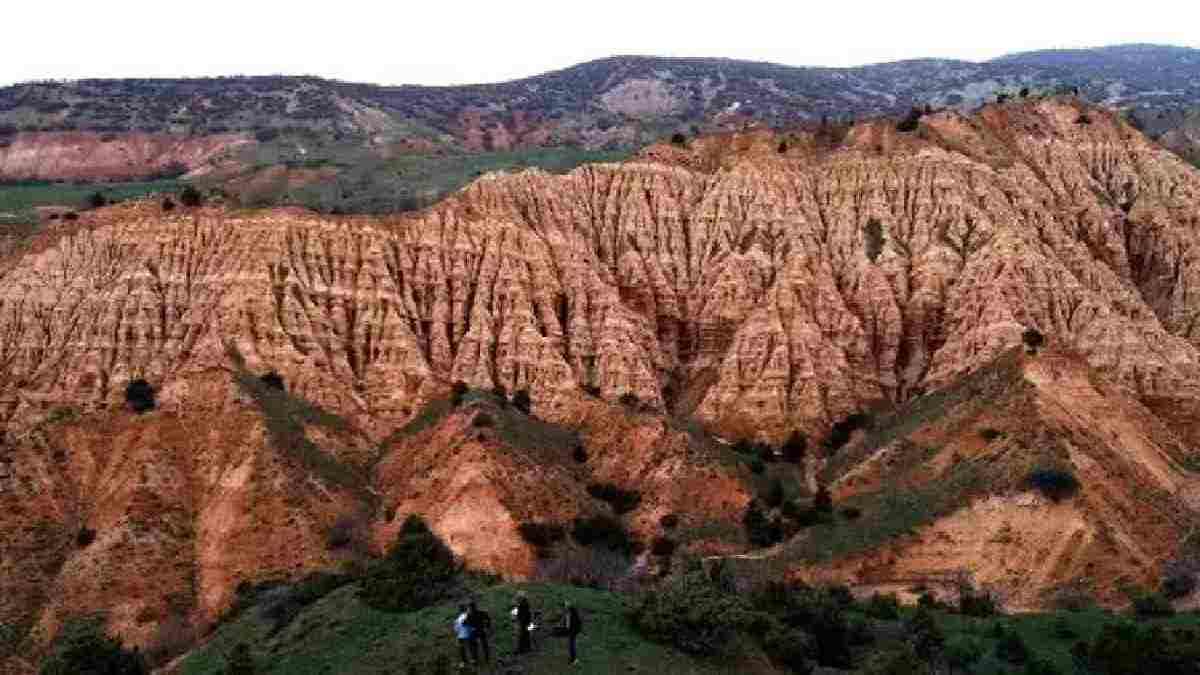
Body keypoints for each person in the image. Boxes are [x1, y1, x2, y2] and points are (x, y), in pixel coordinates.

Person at [563, 600, 583, 665]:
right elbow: (566, 622)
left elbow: (577, 623)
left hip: (573, 631)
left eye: (566, 606)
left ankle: (574, 660)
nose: (565, 607)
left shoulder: (573, 612)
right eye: (565, 606)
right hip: (570, 631)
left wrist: (574, 631)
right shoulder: (568, 612)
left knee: (572, 645)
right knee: (571, 645)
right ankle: (573, 658)